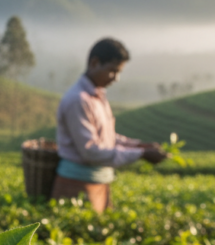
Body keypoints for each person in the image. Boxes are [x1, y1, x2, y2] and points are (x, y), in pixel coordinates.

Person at [51, 38, 166, 213]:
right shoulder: (78, 100)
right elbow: (91, 151)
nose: (116, 79)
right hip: (77, 184)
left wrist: (138, 145)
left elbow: (107, 137)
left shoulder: (98, 96)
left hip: (100, 182)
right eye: (112, 71)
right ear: (94, 63)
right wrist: (141, 154)